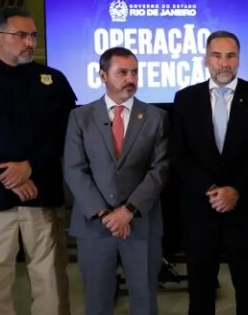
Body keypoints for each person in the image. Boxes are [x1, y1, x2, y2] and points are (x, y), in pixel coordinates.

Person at [171, 31, 248, 315]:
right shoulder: (185, 99)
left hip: (244, 209)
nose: (224, 63)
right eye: (217, 56)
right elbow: (179, 154)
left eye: (230, 56)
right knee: (201, 289)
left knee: (247, 288)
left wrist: (235, 189)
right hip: (200, 209)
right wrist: (211, 189)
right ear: (206, 59)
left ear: (239, 60)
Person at [0, 6, 74, 315]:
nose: (29, 42)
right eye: (21, 35)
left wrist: (29, 166)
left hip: (41, 192)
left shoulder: (53, 80)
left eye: (33, 35)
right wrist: (11, 177)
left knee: (50, 276)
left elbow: (65, 134)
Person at [63, 47, 169, 315]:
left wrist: (128, 211)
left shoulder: (156, 117)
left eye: (134, 72)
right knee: (97, 302)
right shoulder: (80, 117)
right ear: (102, 76)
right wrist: (105, 214)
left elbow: (160, 169)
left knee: (145, 301)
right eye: (122, 72)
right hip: (95, 225)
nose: (130, 79)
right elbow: (74, 169)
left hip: (141, 224)